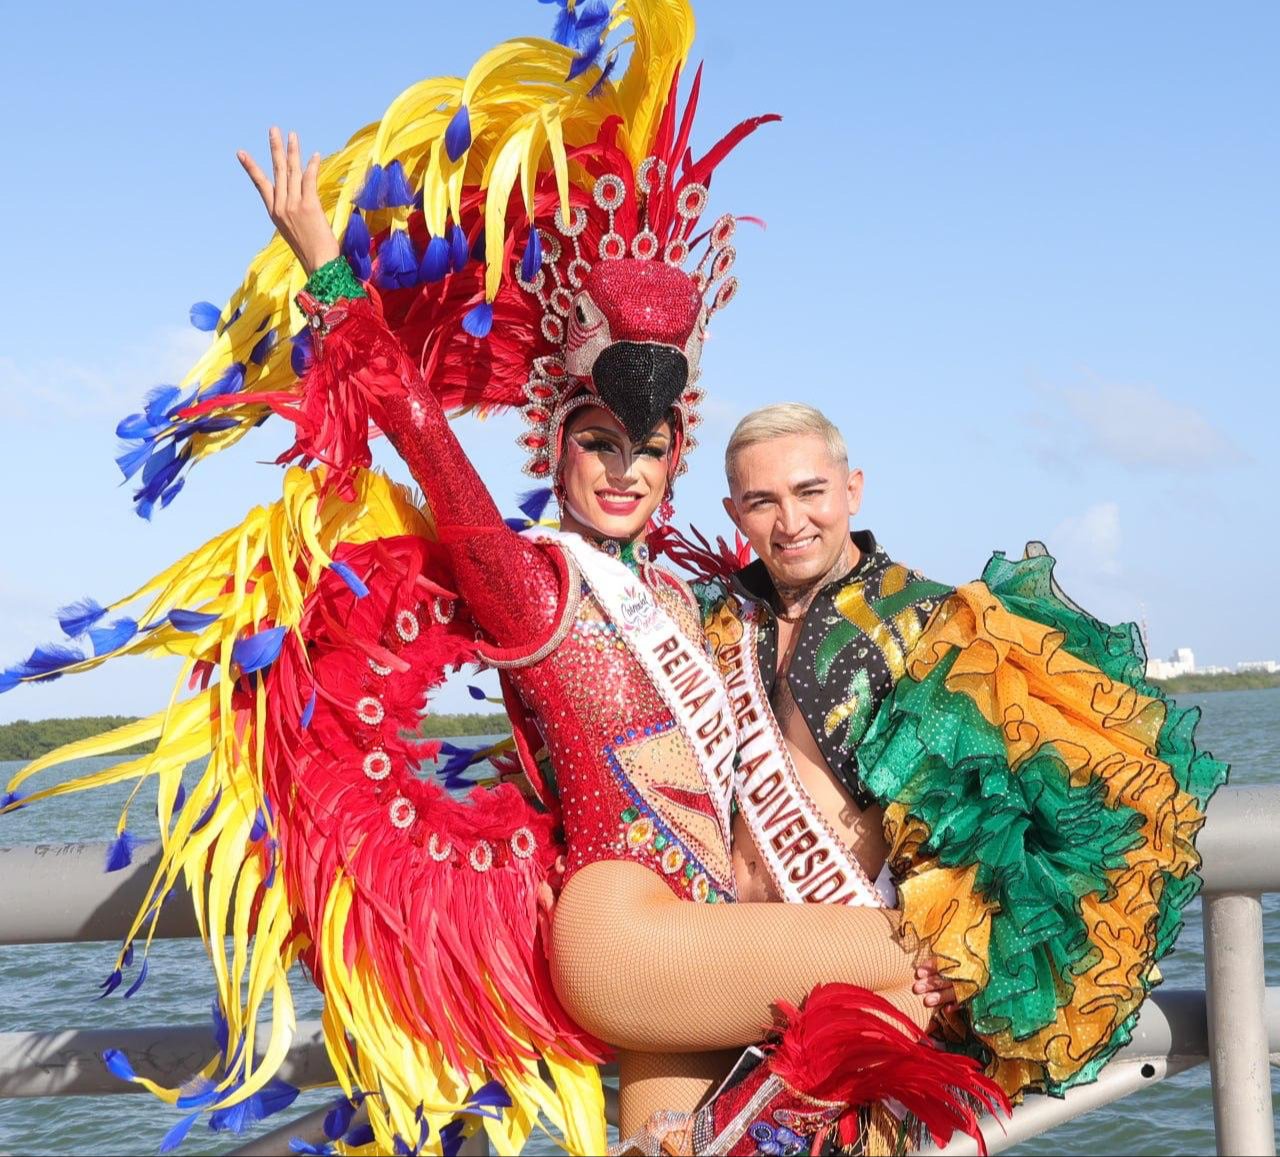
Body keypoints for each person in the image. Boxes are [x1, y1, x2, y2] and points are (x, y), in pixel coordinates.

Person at [0, 5, 1000, 1155]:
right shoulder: (530, 583)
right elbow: (418, 430)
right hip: (625, 932)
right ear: (552, 448)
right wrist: (325, 261)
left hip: (691, 946)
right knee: (953, 961)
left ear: (675, 458)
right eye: (594, 442)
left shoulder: (687, 594)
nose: (621, 471)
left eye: (647, 447)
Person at [676, 401, 1230, 1109]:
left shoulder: (938, 622)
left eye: (810, 491)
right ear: (733, 511)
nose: (791, 522)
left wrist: (963, 946)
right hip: (708, 973)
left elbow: (1050, 814)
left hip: (847, 991)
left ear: (853, 489)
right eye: (763, 501)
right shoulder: (702, 616)